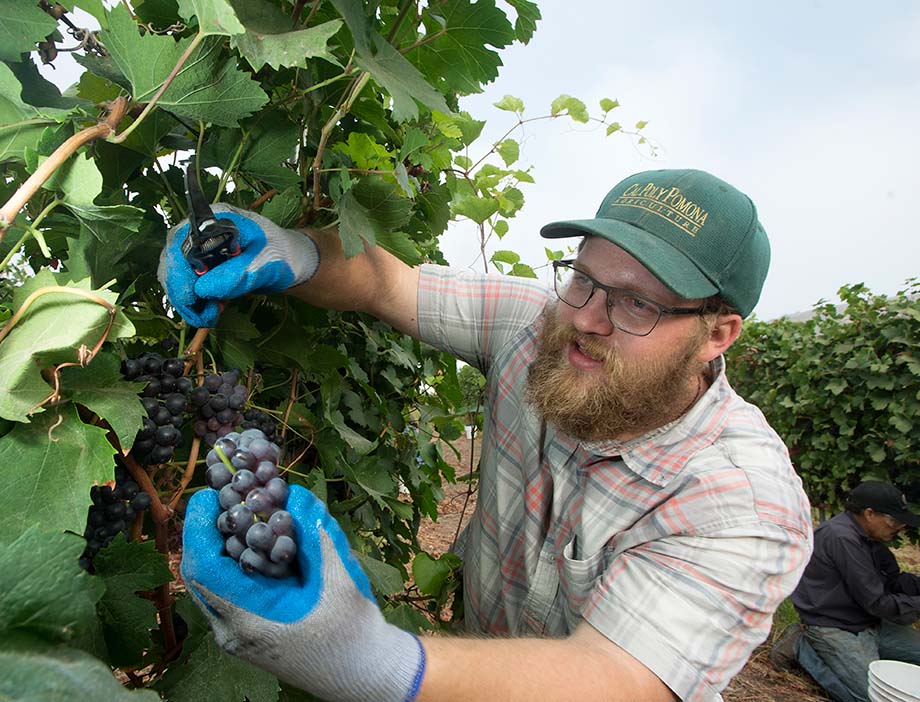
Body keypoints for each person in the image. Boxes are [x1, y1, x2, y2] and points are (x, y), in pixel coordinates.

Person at [161, 168, 813, 702]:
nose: (586, 318)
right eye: (583, 278)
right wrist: (295, 252)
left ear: (719, 333)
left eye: (637, 303)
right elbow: (389, 284)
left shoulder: (742, 504)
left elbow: (616, 677)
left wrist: (373, 661)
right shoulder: (536, 331)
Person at [791, 480, 920, 702]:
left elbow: (893, 580)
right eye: (893, 522)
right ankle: (800, 647)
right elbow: (877, 602)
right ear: (870, 514)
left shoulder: (869, 536)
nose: (899, 528)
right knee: (873, 696)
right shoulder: (842, 538)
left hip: (869, 622)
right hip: (835, 626)